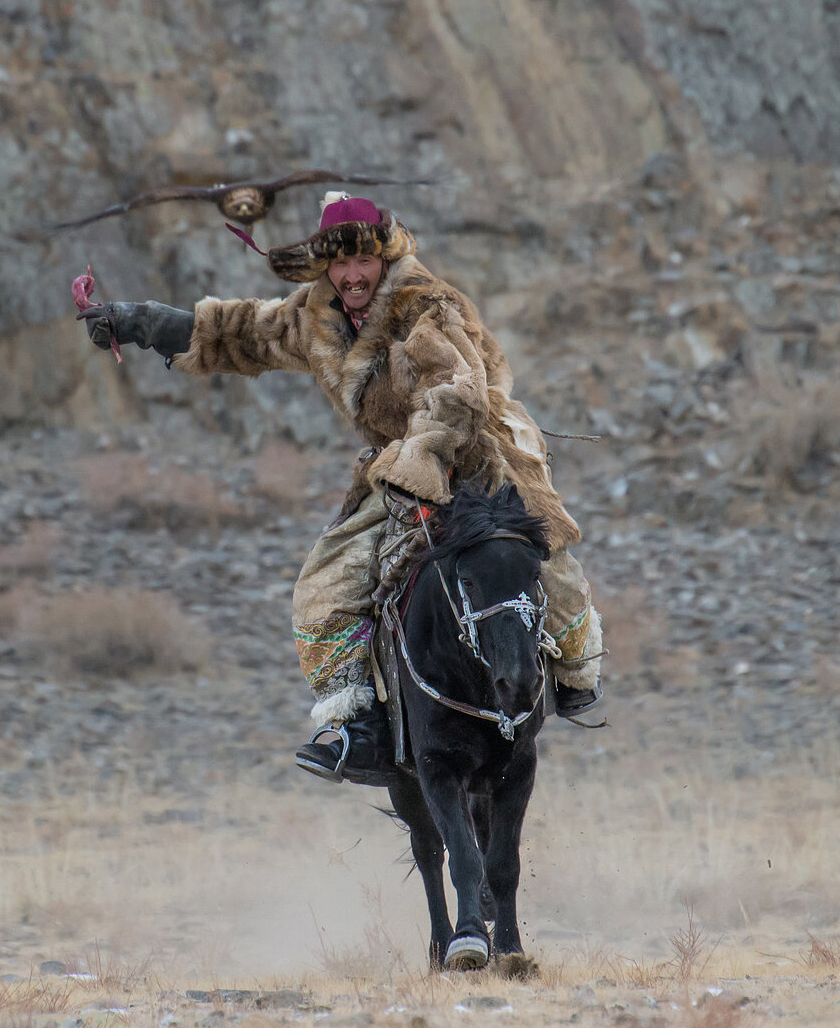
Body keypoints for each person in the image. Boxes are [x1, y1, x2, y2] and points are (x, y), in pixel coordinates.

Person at [77, 193, 603, 784]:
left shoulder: (429, 307)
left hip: (477, 450)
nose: (353, 276)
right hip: (397, 464)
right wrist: (141, 321)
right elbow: (247, 333)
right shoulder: (316, 317)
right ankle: (361, 725)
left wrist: (421, 463)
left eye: (364, 262)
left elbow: (458, 388)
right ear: (325, 265)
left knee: (541, 558)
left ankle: (575, 673)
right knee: (324, 586)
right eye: (340, 263)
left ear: (383, 257)